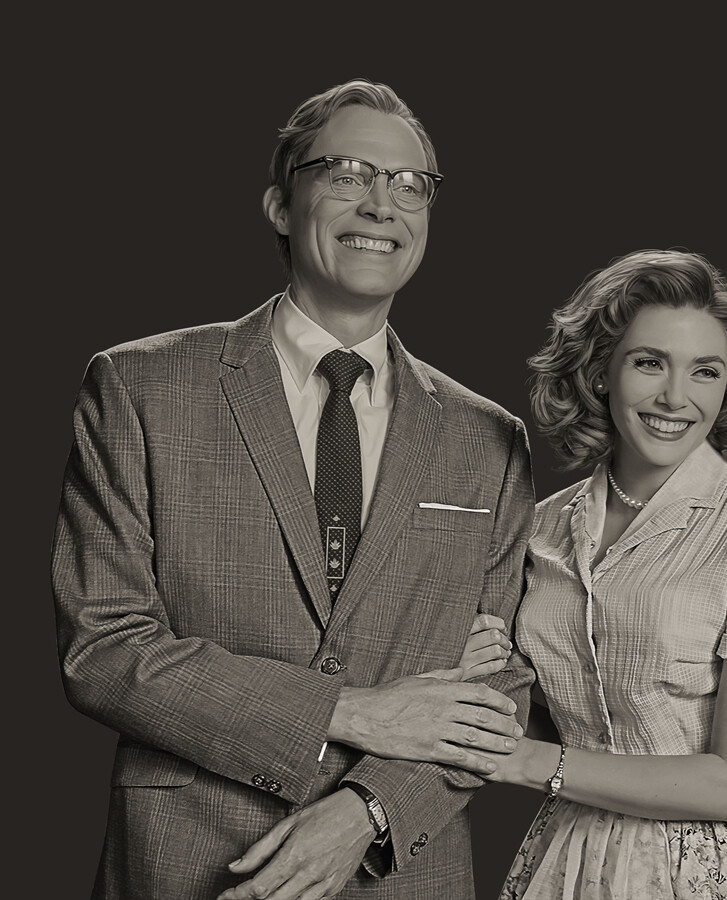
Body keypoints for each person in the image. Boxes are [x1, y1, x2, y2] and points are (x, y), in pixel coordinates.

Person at [51, 79, 534, 900]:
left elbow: (501, 685)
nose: (381, 203)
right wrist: (347, 712)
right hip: (188, 861)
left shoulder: (489, 437)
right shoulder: (139, 388)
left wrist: (366, 811)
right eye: (347, 174)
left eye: (410, 184)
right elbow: (104, 648)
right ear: (280, 204)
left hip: (400, 873)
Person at [471, 250, 727, 898]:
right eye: (649, 363)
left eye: (705, 372)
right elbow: (560, 712)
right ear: (598, 371)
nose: (676, 397)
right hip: (572, 854)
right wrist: (483, 671)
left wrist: (528, 761)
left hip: (720, 868)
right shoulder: (537, 528)